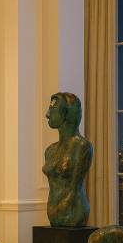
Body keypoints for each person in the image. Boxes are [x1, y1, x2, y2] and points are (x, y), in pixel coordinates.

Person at [42, 92, 93, 227]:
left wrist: (60, 209)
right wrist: (54, 211)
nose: (47, 114)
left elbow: (75, 187)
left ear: (66, 114)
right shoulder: (50, 150)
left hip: (73, 212)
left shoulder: (82, 146)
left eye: (52, 109)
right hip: (53, 212)